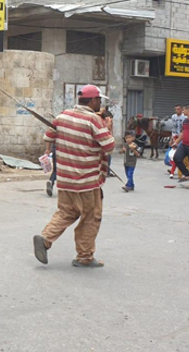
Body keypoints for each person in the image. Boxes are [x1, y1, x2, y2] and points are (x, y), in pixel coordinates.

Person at [34, 85, 115, 268]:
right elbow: (109, 147)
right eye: (99, 100)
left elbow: (49, 136)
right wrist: (108, 128)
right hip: (86, 180)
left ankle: (45, 238)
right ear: (93, 100)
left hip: (65, 179)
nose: (100, 103)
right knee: (91, 216)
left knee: (67, 211)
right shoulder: (93, 120)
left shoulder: (62, 116)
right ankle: (84, 256)